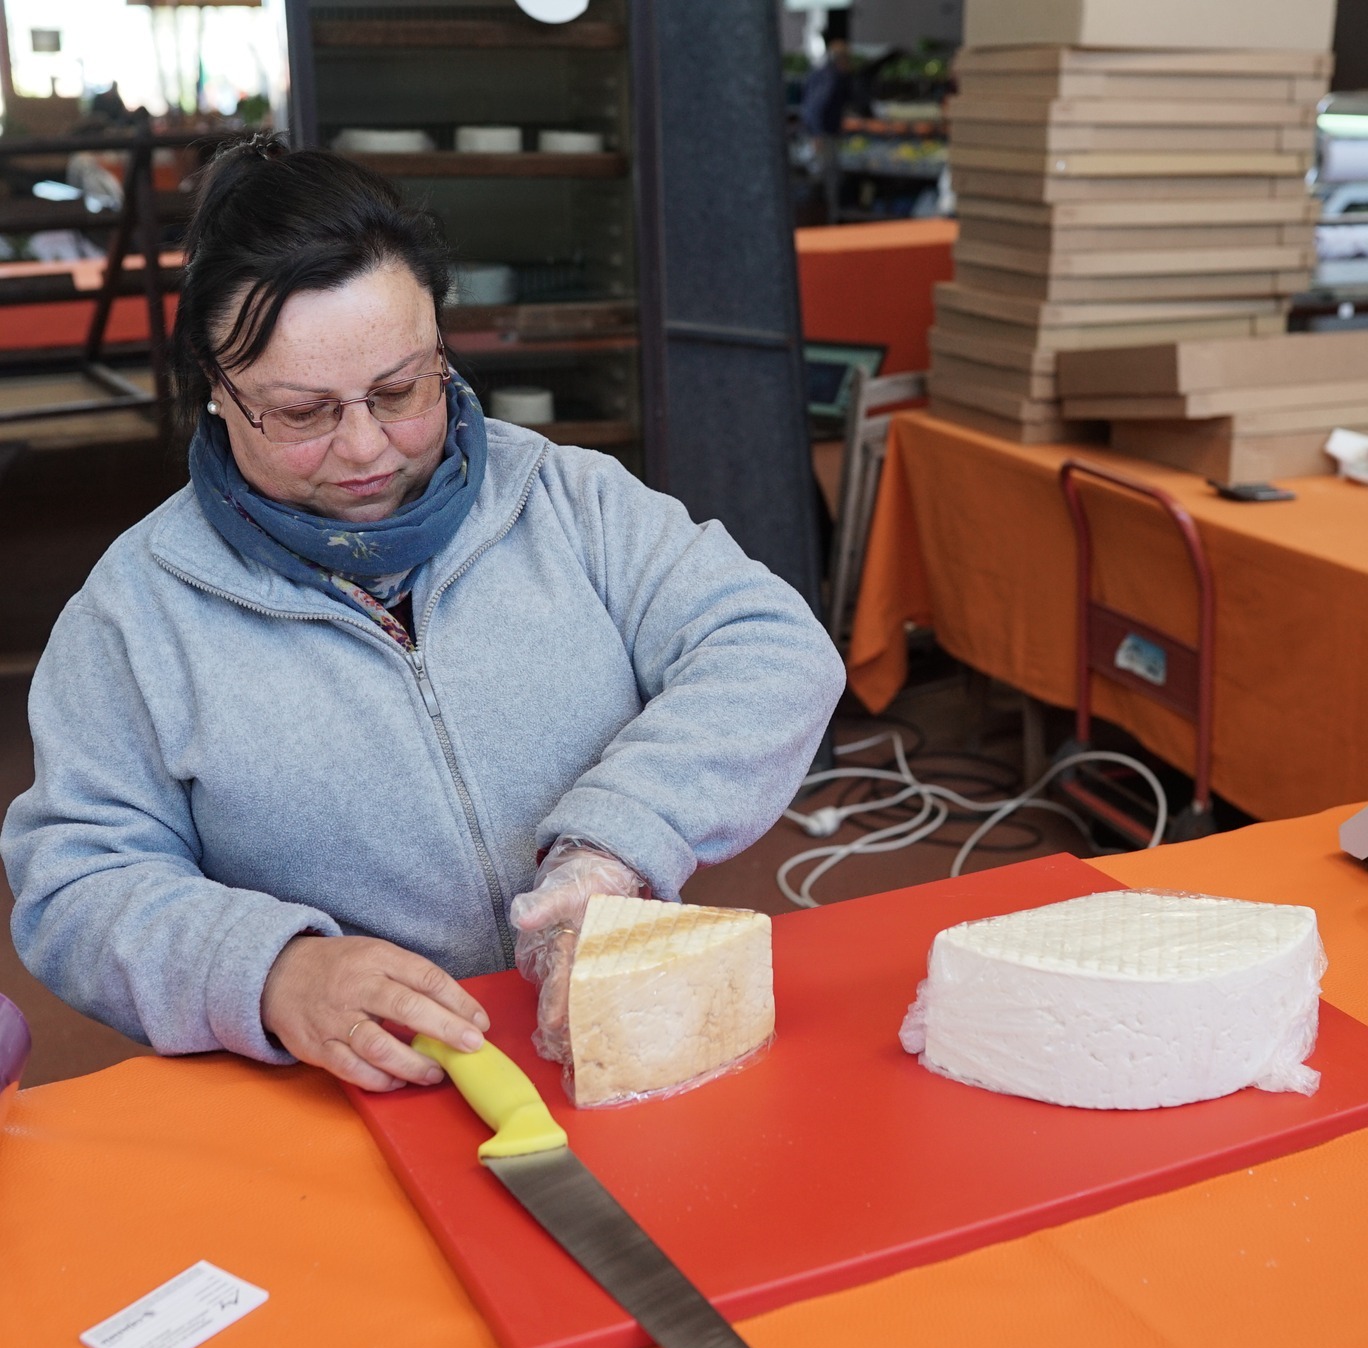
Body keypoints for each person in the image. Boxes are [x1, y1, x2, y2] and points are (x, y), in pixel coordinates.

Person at [1, 136, 844, 1094]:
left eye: (401, 390)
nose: (365, 448)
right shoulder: (136, 613)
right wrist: (273, 972)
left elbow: (772, 647)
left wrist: (615, 845)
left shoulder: (566, 501)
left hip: (597, 1040)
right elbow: (77, 884)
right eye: (303, 412)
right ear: (216, 391)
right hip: (338, 1092)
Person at [800, 39, 854, 224]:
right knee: (828, 179)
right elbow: (814, 108)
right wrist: (816, 133)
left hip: (821, 133)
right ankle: (829, 220)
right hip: (823, 136)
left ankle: (826, 218)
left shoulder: (821, 74)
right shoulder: (830, 79)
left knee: (826, 178)